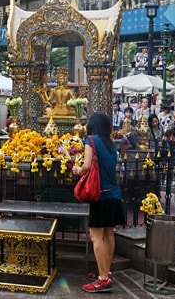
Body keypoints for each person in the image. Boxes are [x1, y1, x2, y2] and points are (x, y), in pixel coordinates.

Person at [72, 113, 124, 293]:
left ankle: (103, 279)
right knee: (109, 234)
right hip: (115, 195)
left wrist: (77, 169)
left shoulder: (91, 140)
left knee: (95, 235)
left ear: (92, 126)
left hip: (100, 196)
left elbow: (86, 166)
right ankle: (106, 272)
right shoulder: (111, 144)